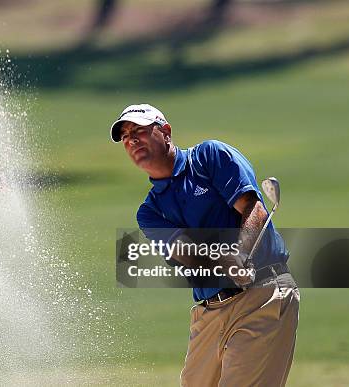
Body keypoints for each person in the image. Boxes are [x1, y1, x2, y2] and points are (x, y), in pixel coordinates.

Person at [109, 104, 300, 386]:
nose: (132, 140)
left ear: (166, 132)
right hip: (209, 312)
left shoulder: (209, 157)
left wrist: (242, 254)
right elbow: (187, 254)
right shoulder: (150, 212)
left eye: (139, 130)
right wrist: (225, 263)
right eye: (125, 137)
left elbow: (253, 209)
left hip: (262, 294)